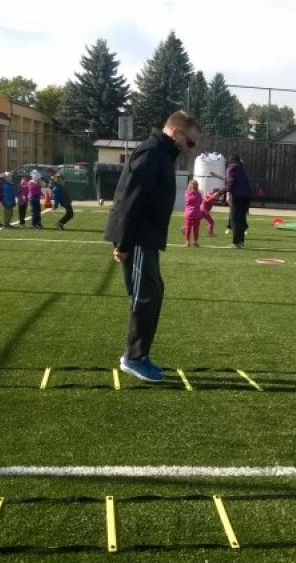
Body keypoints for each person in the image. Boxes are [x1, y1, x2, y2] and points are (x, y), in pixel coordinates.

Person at [104, 110, 201, 383]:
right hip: (136, 238)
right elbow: (130, 199)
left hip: (147, 239)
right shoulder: (151, 152)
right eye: (190, 142)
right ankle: (133, 357)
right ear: (176, 134)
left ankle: (141, 355)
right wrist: (123, 243)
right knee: (143, 296)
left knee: (153, 292)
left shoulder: (162, 154)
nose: (190, 149)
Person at [226, 154, 252, 248]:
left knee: (234, 219)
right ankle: (241, 241)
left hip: (237, 196)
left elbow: (230, 182)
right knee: (241, 219)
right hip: (246, 197)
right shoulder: (242, 170)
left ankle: (236, 242)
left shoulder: (231, 168)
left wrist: (226, 194)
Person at [183, 179, 204, 247]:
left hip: (188, 214)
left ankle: (187, 242)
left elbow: (186, 202)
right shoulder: (199, 194)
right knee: (196, 229)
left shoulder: (187, 193)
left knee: (188, 228)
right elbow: (201, 202)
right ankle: (195, 242)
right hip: (197, 213)